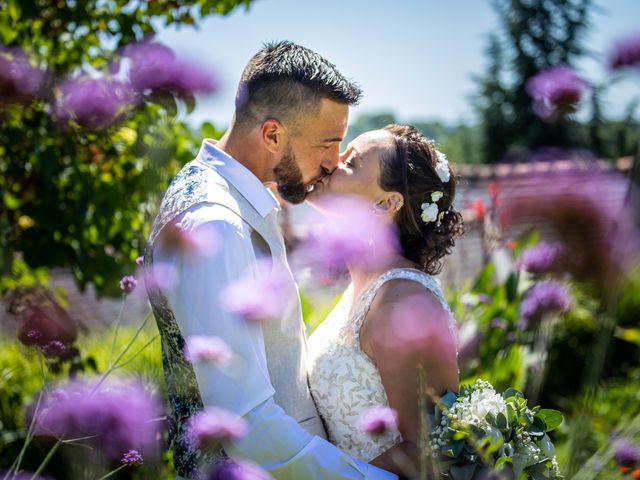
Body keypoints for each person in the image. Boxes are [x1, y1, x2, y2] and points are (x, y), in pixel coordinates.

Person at [143, 41, 397, 479]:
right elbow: (248, 424)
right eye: (328, 143)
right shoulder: (215, 224)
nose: (334, 163)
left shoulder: (215, 196)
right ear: (273, 134)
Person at [307, 125, 463, 478]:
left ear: (387, 203)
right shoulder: (360, 289)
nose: (333, 161)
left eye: (352, 161)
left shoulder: (403, 304)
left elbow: (427, 451)